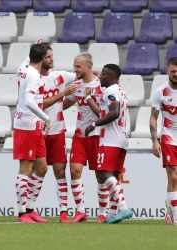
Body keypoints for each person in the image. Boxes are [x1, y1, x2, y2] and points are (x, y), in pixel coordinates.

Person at [31, 41, 79, 222]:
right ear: (41, 59)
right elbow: (38, 104)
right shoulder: (33, 79)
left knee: (60, 172)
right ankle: (30, 209)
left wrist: (97, 75)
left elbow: (82, 75)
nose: (52, 60)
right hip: (38, 132)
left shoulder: (60, 76)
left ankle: (64, 213)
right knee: (38, 171)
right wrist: (62, 94)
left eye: (52, 56)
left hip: (57, 131)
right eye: (48, 57)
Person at [63, 52, 109, 223]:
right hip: (80, 135)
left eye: (78, 67)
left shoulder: (102, 85)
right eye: (74, 66)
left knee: (100, 175)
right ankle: (80, 211)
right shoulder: (76, 86)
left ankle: (103, 213)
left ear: (88, 67)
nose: (75, 70)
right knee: (74, 171)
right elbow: (64, 105)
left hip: (98, 135)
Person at [84, 63, 133, 224]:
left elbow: (114, 112)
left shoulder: (111, 91)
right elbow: (103, 113)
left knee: (104, 174)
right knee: (114, 177)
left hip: (111, 139)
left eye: (104, 74)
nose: (100, 76)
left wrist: (93, 125)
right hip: (121, 138)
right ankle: (112, 214)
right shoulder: (119, 91)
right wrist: (88, 98)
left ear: (113, 77)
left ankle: (124, 208)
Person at [14, 43, 51, 223]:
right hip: (27, 124)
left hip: (32, 124)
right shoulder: (34, 76)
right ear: (43, 59)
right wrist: (46, 118)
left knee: (42, 167)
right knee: (26, 168)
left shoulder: (23, 67)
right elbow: (29, 101)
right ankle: (22, 213)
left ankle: (30, 208)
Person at [150, 57, 177, 226]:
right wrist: (155, 141)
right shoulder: (161, 92)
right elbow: (153, 118)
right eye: (173, 71)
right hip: (169, 137)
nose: (176, 74)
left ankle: (170, 203)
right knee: (173, 176)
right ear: (167, 72)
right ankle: (175, 217)